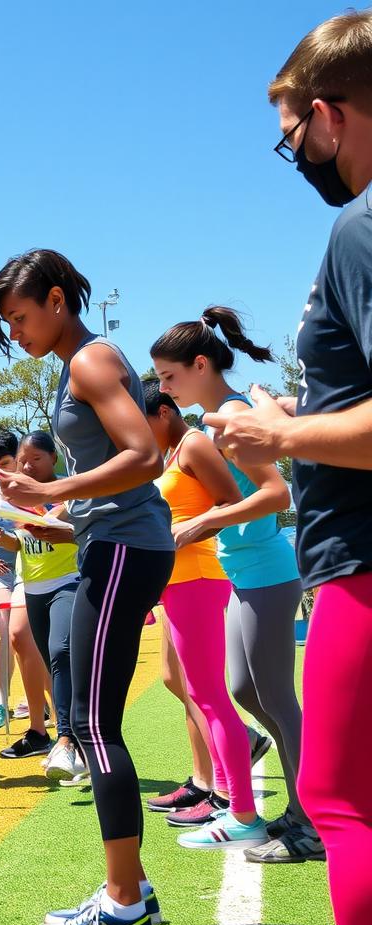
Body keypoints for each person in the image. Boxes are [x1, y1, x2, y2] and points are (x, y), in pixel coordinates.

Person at [204, 15, 372, 925]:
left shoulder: (357, 227)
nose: (295, 154)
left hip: (361, 566)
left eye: (292, 133)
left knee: (345, 805)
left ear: (327, 114)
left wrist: (281, 441)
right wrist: (298, 418)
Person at [0, 251, 174, 925]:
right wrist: (60, 512)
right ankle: (132, 886)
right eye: (8, 324)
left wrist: (51, 493)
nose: (17, 334)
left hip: (126, 547)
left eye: (21, 317)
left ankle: (123, 906)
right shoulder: (81, 365)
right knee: (94, 721)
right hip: (120, 542)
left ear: (58, 299)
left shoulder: (91, 363)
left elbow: (144, 455)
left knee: (92, 724)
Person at [150, 309, 322, 862]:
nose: (162, 390)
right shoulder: (214, 422)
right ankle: (299, 810)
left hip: (267, 573)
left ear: (200, 365)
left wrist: (206, 521)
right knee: (246, 691)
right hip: (244, 574)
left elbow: (278, 495)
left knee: (275, 697)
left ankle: (311, 823)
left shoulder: (229, 419)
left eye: (169, 378)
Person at [142, 381, 267, 850]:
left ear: (162, 412)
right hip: (178, 584)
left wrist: (191, 527)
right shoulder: (172, 453)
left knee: (211, 696)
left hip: (200, 579)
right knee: (199, 692)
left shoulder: (193, 442)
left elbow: (232, 501)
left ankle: (242, 811)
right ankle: (230, 800)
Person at [0, 432, 81, 771]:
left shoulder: (69, 492)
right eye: (23, 461)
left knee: (60, 652)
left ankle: (65, 739)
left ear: (53, 459)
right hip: (33, 588)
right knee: (51, 660)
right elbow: (24, 546)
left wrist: (50, 513)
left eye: (36, 460)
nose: (28, 466)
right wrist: (6, 539)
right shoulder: (17, 499)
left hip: (67, 583)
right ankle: (75, 735)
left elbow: (78, 533)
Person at [0, 429, 52, 734]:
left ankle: (42, 703)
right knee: (9, 635)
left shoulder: (34, 488)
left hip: (32, 569)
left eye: (5, 462)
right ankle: (3, 703)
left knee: (31, 641)